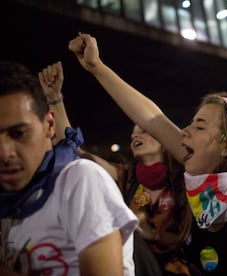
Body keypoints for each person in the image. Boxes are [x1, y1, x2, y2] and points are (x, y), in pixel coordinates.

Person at [68, 33, 227, 275]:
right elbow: (152, 119)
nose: (184, 132)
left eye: (199, 126)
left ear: (226, 145)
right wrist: (96, 67)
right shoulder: (208, 188)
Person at [38, 61, 198, 276]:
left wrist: (152, 232)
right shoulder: (127, 178)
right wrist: (54, 99)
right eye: (133, 133)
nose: (135, 136)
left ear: (162, 140)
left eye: (143, 131)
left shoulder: (184, 176)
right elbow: (76, 152)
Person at [0, 60, 138, 275]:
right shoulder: (14, 202)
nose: (4, 153)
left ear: (50, 125)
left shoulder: (80, 179)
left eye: (18, 133)